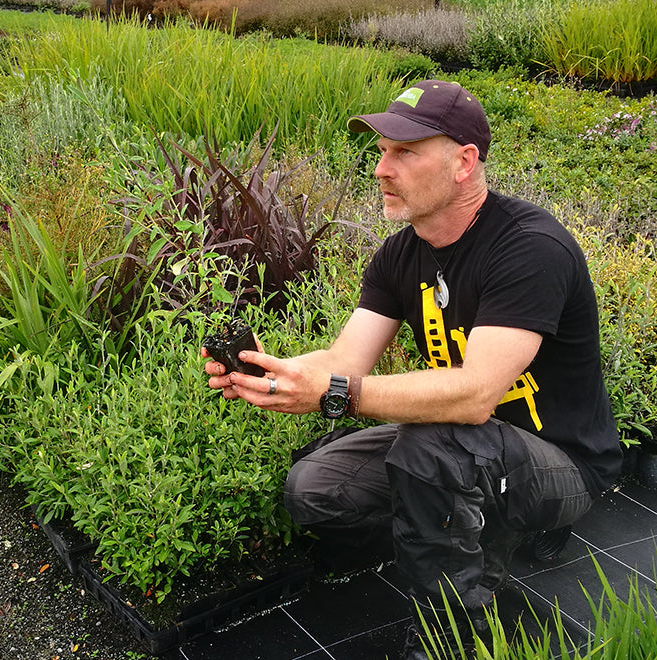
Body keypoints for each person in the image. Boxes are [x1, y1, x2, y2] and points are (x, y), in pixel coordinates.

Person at [202, 79, 622, 659]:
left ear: (463, 163)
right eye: (381, 151)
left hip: (560, 458)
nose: (381, 168)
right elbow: (344, 362)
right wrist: (274, 373)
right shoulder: (399, 255)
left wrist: (336, 394)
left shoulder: (530, 247)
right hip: (462, 445)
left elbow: (474, 395)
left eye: (404, 152)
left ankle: (451, 640)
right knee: (316, 488)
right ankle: (459, 533)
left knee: (432, 450)